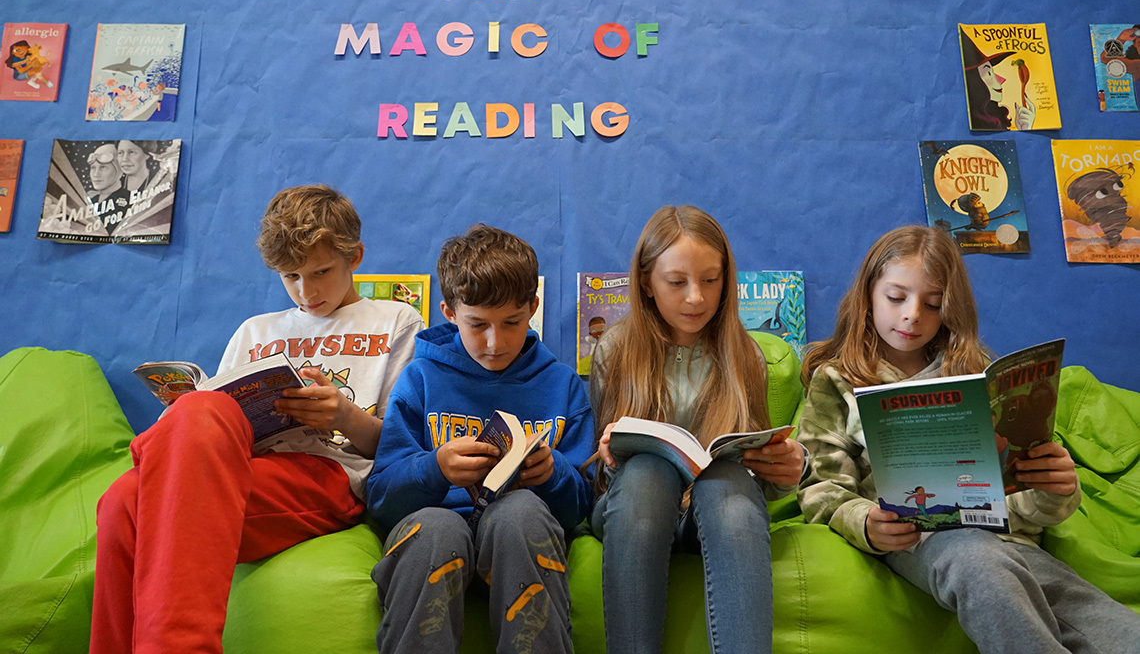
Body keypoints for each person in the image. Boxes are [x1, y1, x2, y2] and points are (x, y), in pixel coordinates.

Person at [90, 185, 425, 654]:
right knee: (121, 499)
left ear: (355, 257)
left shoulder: (397, 320)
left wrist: (344, 415)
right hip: (241, 465)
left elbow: (402, 450)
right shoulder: (256, 330)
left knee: (159, 468)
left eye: (321, 272)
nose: (306, 291)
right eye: (291, 277)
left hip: (328, 474)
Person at [797, 225, 1140, 654]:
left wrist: (1054, 490)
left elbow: (1021, 500)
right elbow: (821, 487)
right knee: (976, 560)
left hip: (1006, 538)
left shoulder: (976, 373)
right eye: (896, 297)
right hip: (921, 538)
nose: (913, 315)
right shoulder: (836, 379)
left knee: (1104, 621)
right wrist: (865, 523)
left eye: (933, 304)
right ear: (868, 294)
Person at [588, 205, 806, 654]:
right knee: (647, 472)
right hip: (633, 508)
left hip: (710, 514)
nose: (695, 298)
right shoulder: (614, 351)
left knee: (727, 479)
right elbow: (601, 483)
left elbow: (757, 476)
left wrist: (786, 472)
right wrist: (612, 455)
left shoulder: (745, 355)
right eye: (676, 282)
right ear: (646, 282)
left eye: (710, 280)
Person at [367, 223, 594, 654]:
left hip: (519, 543)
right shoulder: (419, 378)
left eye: (512, 323)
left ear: (533, 307)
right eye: (477, 325)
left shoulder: (561, 385)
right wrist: (435, 468)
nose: (495, 342)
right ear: (449, 312)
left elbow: (581, 507)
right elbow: (380, 499)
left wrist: (553, 473)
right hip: (433, 538)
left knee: (520, 512)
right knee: (436, 528)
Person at [961, 28, 1035, 131]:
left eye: (993, 72)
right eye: (989, 73)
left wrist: (1025, 128)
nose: (1001, 80)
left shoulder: (995, 118)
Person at [85, 143, 130, 234]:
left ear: (119, 170)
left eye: (103, 167)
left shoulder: (130, 200)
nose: (96, 174)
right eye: (93, 168)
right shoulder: (88, 198)